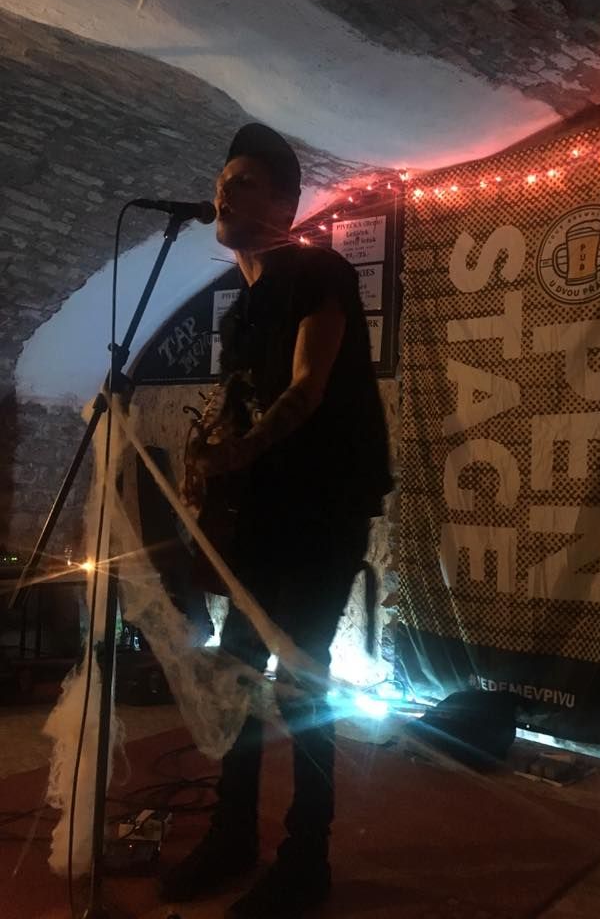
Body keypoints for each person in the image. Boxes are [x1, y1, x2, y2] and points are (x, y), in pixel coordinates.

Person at [162, 123, 393, 918]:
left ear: (286, 206)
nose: (226, 193)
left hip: (321, 508)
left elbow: (306, 389)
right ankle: (232, 834)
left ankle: (306, 859)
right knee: (236, 672)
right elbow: (242, 407)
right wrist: (207, 452)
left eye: (247, 183)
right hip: (261, 515)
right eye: (223, 181)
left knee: (300, 679)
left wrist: (240, 449)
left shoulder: (317, 272)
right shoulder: (240, 311)